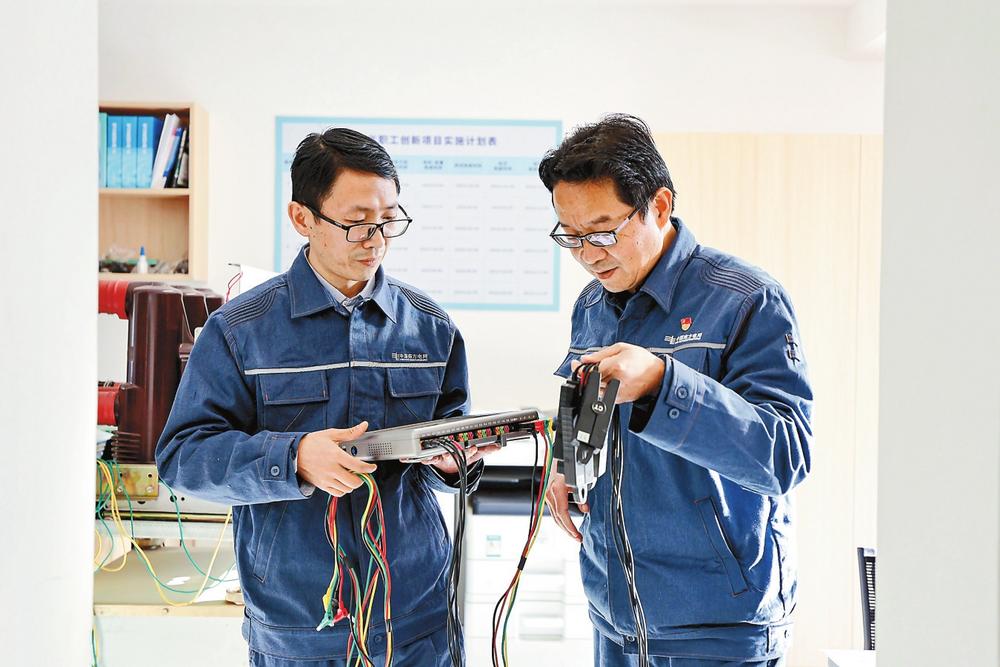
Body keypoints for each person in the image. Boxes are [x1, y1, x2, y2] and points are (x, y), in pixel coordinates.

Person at [156, 128, 491, 666]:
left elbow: (446, 453)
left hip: (417, 617)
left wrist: (455, 463)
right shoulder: (240, 332)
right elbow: (182, 459)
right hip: (298, 625)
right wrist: (294, 459)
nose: (375, 240)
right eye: (357, 223)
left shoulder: (431, 328)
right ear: (302, 218)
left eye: (388, 220)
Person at [539, 115, 813, 666]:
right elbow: (588, 396)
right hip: (613, 613)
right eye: (570, 236)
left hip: (717, 626)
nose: (588, 254)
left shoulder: (747, 299)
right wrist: (567, 462)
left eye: (603, 232)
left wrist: (664, 383)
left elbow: (785, 455)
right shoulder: (592, 304)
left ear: (659, 206)